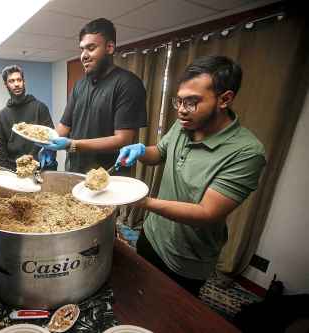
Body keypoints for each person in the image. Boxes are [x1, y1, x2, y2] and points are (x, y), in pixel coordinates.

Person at [116, 56, 266, 296]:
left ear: (225, 99)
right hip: (152, 234)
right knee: (139, 292)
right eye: (180, 101)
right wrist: (141, 150)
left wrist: (142, 202)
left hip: (186, 258)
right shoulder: (185, 124)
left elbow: (207, 214)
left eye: (192, 102)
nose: (181, 111)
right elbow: (160, 154)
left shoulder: (247, 153)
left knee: (171, 314)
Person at [40, 18, 147, 174]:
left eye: (91, 48)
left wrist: (72, 144)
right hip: (74, 171)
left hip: (108, 177)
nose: (84, 55)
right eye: (82, 49)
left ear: (109, 47)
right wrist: (48, 143)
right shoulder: (80, 85)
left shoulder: (128, 83)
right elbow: (64, 126)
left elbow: (122, 139)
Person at [0, 64, 56, 170]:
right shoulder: (3, 114)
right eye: (11, 81)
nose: (16, 84)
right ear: (6, 85)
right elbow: (2, 146)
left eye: (19, 80)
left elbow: (51, 137)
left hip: (37, 167)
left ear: (24, 82)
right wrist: (3, 171)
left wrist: (41, 157)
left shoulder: (40, 107)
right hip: (14, 169)